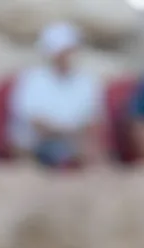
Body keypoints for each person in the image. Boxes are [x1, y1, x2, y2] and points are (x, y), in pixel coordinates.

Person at [7, 22, 107, 167]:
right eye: (65, 51)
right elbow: (35, 122)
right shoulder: (32, 79)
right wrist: (65, 132)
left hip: (76, 143)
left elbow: (94, 120)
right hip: (39, 143)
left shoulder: (87, 81)